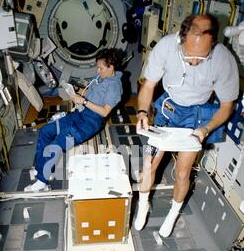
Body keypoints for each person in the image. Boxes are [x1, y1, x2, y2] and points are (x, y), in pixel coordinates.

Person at [134, 13, 239, 235]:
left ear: (212, 44)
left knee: (182, 173)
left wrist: (205, 129)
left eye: (201, 58)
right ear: (180, 40)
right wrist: (143, 112)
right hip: (168, 108)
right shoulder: (165, 47)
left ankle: (173, 214)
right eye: (189, 56)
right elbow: (148, 86)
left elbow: (227, 106)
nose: (193, 63)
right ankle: (143, 204)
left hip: (196, 116)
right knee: (148, 164)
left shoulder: (223, 59)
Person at [24, 48, 123, 192]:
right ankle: (42, 170)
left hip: (89, 124)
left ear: (111, 67)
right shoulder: (101, 78)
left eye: (100, 68)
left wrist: (83, 101)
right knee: (46, 131)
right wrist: (75, 91)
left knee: (57, 143)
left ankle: (42, 181)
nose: (97, 71)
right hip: (79, 114)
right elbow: (91, 92)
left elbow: (104, 111)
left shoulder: (114, 86)